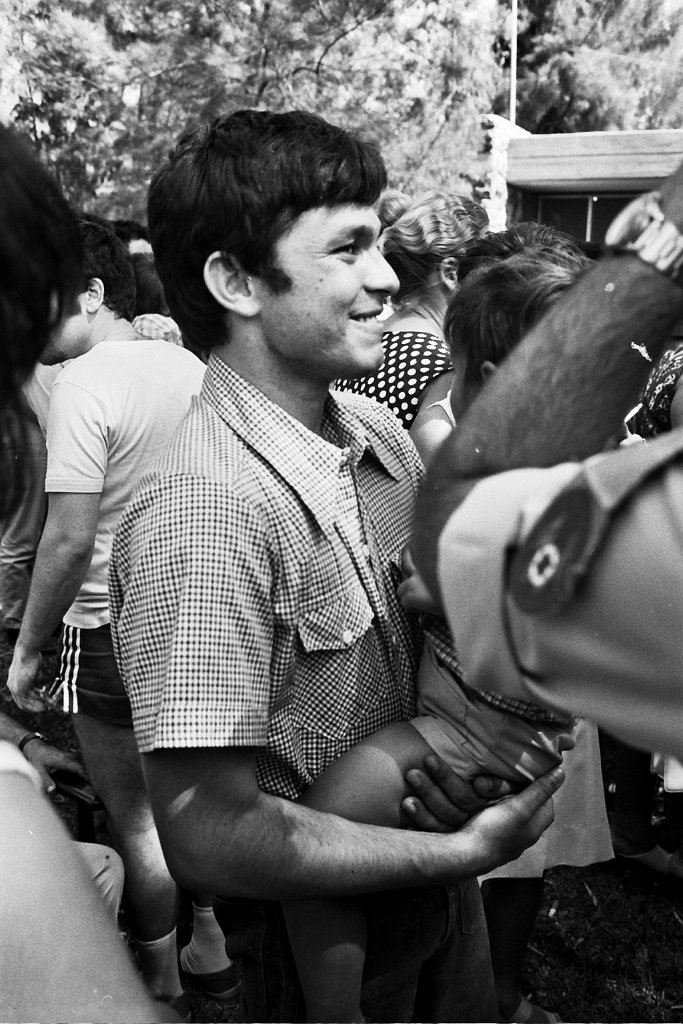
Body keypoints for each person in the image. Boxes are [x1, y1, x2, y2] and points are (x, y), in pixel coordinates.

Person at [103, 109, 563, 1024]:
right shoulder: (205, 511)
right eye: (347, 248)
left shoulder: (379, 435)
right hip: (311, 940)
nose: (385, 277)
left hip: (430, 885)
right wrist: (461, 851)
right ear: (235, 281)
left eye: (379, 242)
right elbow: (207, 835)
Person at [281, 243, 615, 1024]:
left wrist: (434, 589)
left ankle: (334, 1011)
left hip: (475, 734)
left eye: (454, 372)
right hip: (489, 726)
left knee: (312, 836)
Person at [6, 219, 216, 1011]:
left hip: (103, 625)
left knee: (136, 818)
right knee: (195, 795)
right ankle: (211, 942)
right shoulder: (192, 366)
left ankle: (159, 980)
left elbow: (67, 540)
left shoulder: (82, 384)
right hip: (194, 617)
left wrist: (29, 648)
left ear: (93, 295)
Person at [410, 166, 683, 761]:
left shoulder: (538, 486)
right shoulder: (613, 474)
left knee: (343, 796)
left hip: (472, 730)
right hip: (532, 732)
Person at [336, 189, 488, 432]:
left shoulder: (371, 341)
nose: (492, 279)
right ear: (450, 273)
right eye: (485, 267)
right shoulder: (442, 367)